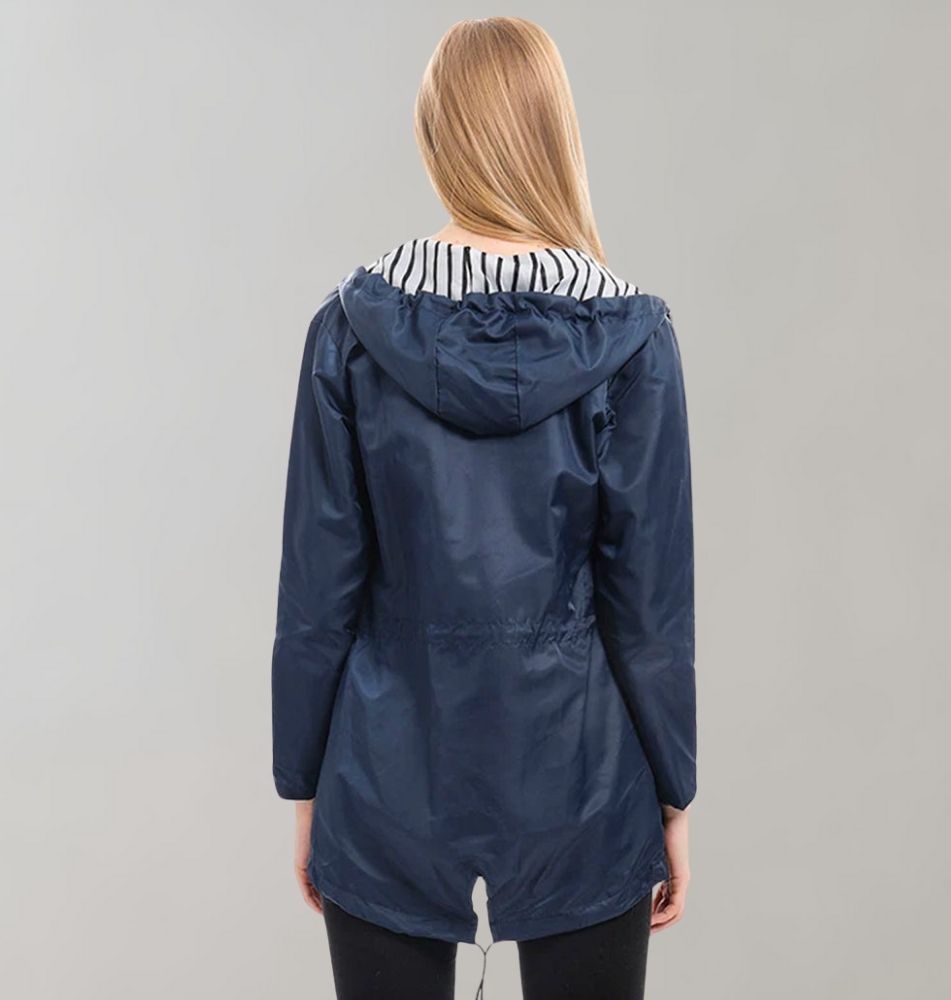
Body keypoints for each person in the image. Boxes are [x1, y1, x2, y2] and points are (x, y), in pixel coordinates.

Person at [271, 16, 696, 1000]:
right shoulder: (632, 338)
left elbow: (317, 595)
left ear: (437, 134)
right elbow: (649, 610)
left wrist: (306, 789)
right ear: (553, 133)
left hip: (383, 781)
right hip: (586, 781)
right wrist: (672, 795)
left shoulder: (349, 332)